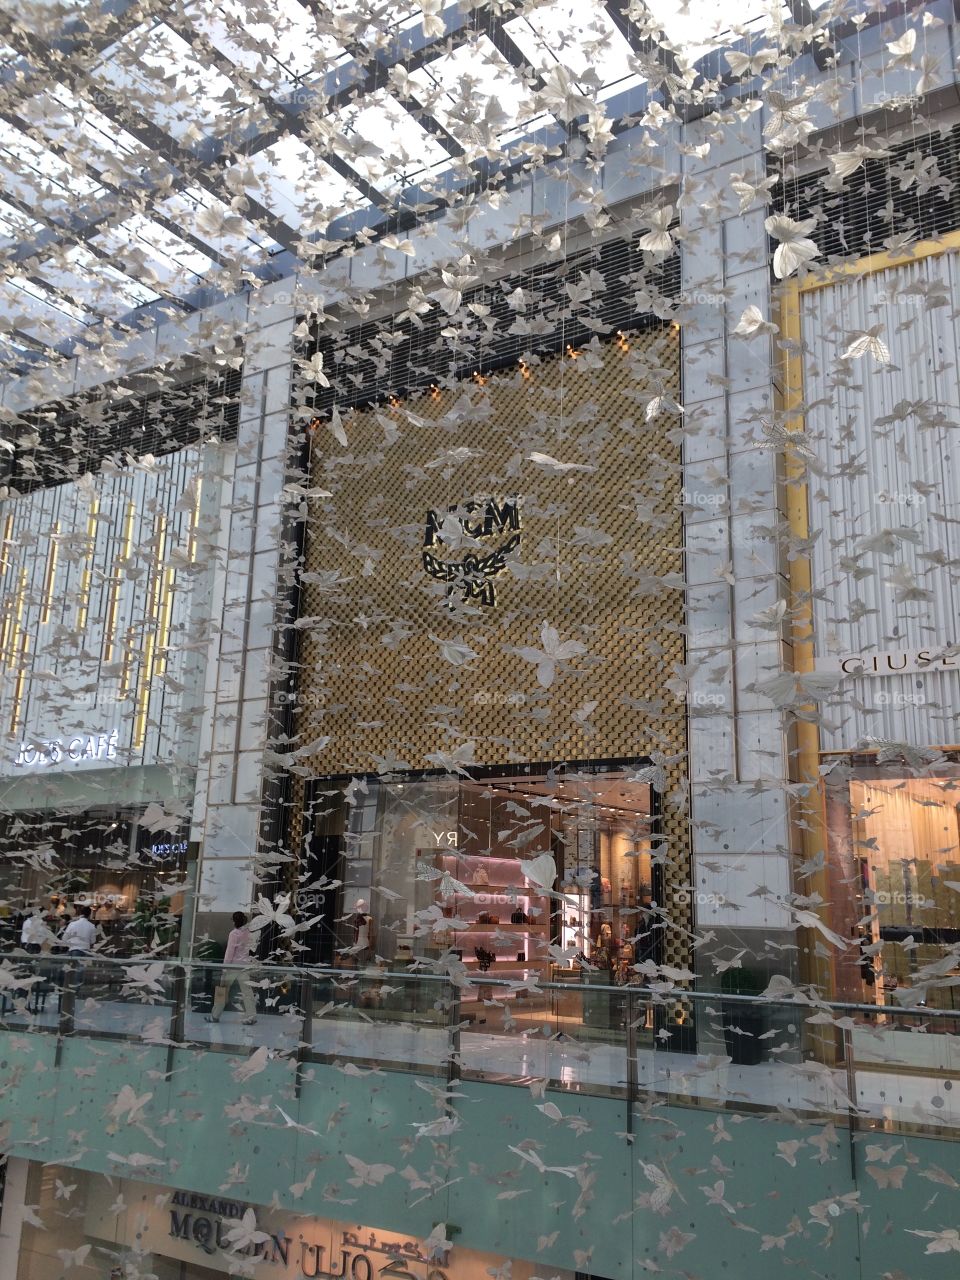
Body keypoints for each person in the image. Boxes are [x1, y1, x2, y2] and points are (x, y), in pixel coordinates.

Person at [205, 911, 257, 1024]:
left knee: (222, 992)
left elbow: (229, 952)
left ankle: (215, 1016)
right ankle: (252, 1016)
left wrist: (224, 968)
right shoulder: (248, 932)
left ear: (234, 921)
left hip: (232, 967)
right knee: (247, 992)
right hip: (244, 966)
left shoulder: (233, 934)